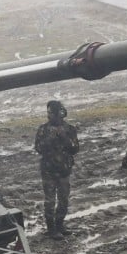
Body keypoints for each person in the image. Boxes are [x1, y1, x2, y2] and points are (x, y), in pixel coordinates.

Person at [34, 100, 79, 238]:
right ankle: (51, 229)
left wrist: (64, 137)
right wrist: (50, 139)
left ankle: (60, 224)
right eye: (48, 113)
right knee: (50, 201)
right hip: (48, 171)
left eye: (51, 113)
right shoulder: (43, 129)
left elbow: (75, 149)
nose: (49, 116)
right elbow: (38, 148)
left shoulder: (70, 129)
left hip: (64, 170)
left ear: (59, 113)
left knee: (64, 199)